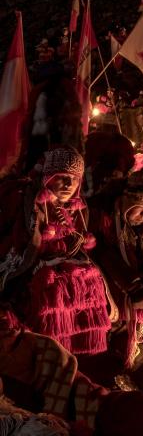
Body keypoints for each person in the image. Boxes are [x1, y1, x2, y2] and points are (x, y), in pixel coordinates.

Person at [0, 146, 111, 356]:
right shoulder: (30, 200)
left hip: (68, 264)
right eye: (62, 177)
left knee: (90, 280)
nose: (69, 185)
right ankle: (47, 352)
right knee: (49, 286)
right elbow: (21, 242)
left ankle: (72, 348)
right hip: (39, 265)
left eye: (75, 179)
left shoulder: (77, 208)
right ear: (48, 177)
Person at [89, 170, 143, 367]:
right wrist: (132, 286)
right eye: (140, 209)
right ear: (125, 203)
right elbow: (103, 255)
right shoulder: (105, 223)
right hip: (117, 301)